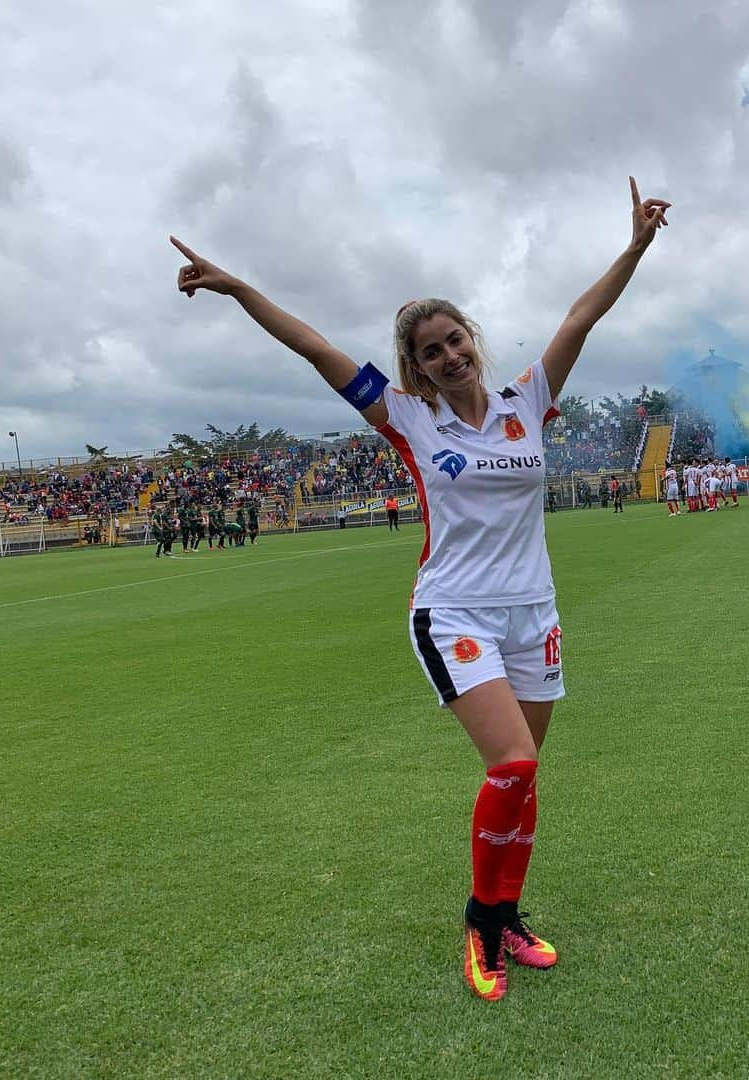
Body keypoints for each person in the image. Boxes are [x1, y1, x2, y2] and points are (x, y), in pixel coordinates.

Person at [170, 175, 670, 1003]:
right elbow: (311, 345)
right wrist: (234, 288)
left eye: (453, 340)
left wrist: (636, 247)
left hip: (532, 614)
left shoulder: (526, 400)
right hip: (455, 612)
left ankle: (509, 914)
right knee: (509, 762)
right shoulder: (408, 418)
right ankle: (479, 926)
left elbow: (582, 318)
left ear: (471, 338)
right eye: (430, 352)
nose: (448, 356)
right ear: (417, 367)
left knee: (526, 777)